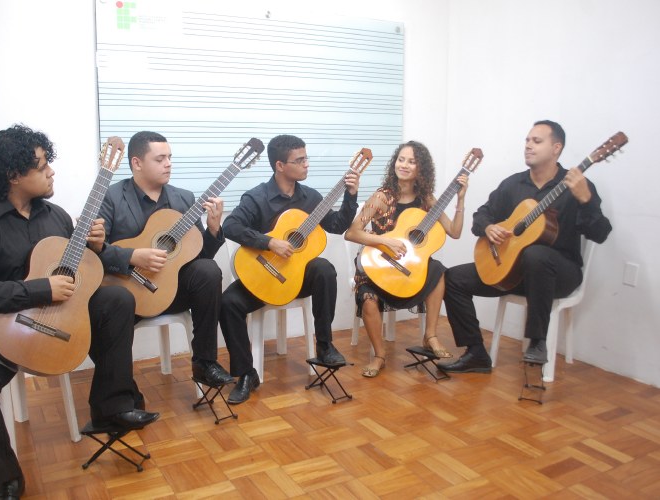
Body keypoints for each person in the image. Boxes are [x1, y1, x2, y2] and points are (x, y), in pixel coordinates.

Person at [0, 125, 158, 500]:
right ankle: (6, 476)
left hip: (62, 323)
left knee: (118, 300)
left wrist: (99, 244)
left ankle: (111, 407)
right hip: (1, 329)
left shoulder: (55, 215)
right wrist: (38, 289)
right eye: (42, 167)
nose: (51, 172)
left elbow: (86, 265)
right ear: (14, 175)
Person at [439, 120, 612, 373]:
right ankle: (476, 352)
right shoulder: (513, 185)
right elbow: (481, 216)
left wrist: (586, 200)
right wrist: (488, 228)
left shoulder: (576, 186)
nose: (528, 146)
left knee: (536, 254)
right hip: (515, 272)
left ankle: (536, 342)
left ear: (556, 148)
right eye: (527, 141)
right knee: (452, 278)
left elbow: (601, 234)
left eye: (536, 141)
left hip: (560, 273)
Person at [220, 134, 361, 404]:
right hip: (265, 276)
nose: (307, 164)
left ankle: (324, 346)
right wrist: (269, 242)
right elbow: (231, 226)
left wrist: (350, 196)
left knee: (323, 268)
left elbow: (336, 225)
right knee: (227, 303)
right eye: (300, 160)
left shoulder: (311, 197)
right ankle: (246, 374)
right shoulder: (257, 197)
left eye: (306, 158)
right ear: (280, 165)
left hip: (295, 278)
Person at [98, 131, 233, 387]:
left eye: (170, 157)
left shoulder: (184, 198)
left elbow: (198, 256)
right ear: (137, 163)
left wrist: (213, 229)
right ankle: (120, 391)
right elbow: (94, 250)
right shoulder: (112, 197)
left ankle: (204, 362)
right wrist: (133, 256)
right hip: (129, 295)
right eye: (160, 159)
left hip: (170, 292)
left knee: (208, 270)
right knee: (112, 307)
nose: (168, 164)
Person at [345, 141, 468, 377]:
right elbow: (352, 232)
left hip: (408, 267)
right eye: (401, 159)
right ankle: (379, 355)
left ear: (421, 169)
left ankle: (430, 335)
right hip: (379, 265)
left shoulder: (426, 200)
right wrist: (385, 241)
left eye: (412, 161)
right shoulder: (381, 197)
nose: (404, 165)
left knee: (439, 270)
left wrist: (461, 199)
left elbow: (454, 231)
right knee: (368, 297)